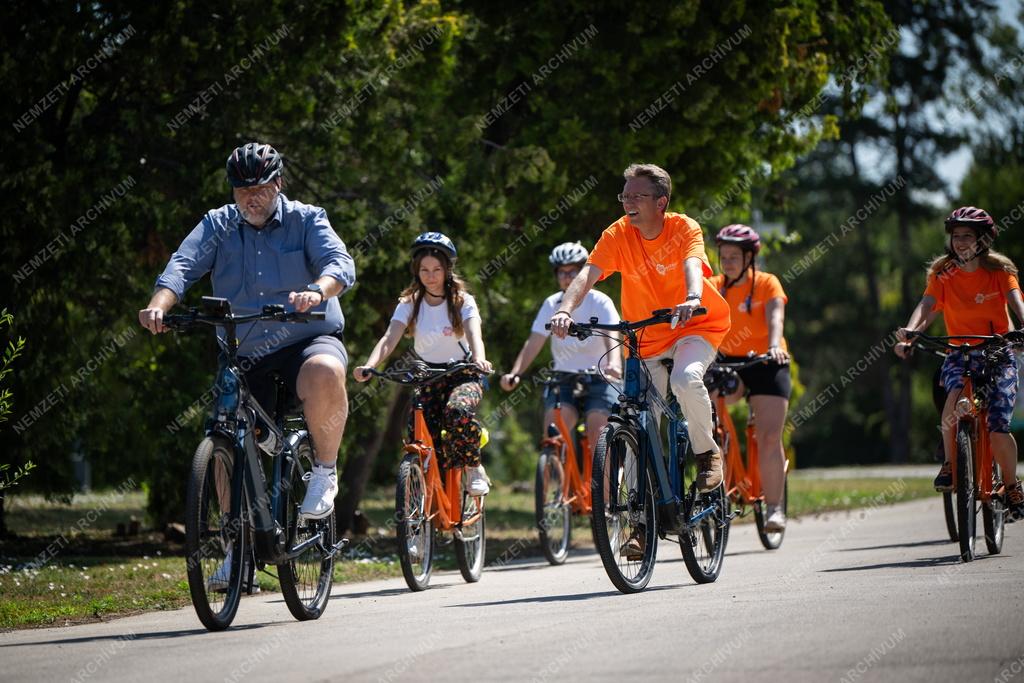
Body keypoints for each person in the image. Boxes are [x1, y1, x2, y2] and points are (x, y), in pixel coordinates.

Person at [139, 142, 355, 529]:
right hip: (244, 350)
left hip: (305, 340)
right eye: (242, 190)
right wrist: (160, 304)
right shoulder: (217, 224)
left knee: (325, 370)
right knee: (224, 436)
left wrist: (318, 290)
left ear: (279, 184)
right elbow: (182, 266)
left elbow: (339, 265)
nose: (251, 198)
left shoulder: (307, 219)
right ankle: (234, 545)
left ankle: (324, 471)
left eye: (259, 189)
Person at [549, 163, 731, 558]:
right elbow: (587, 275)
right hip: (646, 337)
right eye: (624, 195)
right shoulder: (618, 233)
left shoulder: (684, 228)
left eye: (636, 196)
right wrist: (566, 310)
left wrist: (693, 298)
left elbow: (691, 266)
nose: (627, 202)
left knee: (685, 380)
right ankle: (639, 524)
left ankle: (706, 453)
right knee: (636, 423)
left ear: (661, 202)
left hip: (694, 325)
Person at [895, 206, 1024, 521]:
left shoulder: (1000, 271)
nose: (961, 242)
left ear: (983, 239)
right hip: (960, 352)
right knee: (952, 400)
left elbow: (1017, 302)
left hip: (998, 353)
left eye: (968, 236)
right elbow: (926, 307)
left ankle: (1011, 486)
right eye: (956, 236)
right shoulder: (942, 275)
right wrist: (911, 332)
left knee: (997, 427)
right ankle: (951, 465)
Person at [353, 233, 493, 495]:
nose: (430, 276)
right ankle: (427, 495)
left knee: (458, 412)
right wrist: (369, 365)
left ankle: (473, 466)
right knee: (418, 431)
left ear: (447, 270)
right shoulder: (410, 303)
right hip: (427, 375)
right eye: (424, 270)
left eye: (437, 269)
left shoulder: (462, 301)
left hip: (463, 372)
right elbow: (389, 338)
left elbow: (475, 334)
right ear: (416, 271)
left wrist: (479, 359)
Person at [501, 242, 623, 455]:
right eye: (561, 272)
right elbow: (534, 341)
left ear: (584, 271)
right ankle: (558, 486)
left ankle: (603, 486)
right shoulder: (551, 304)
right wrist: (515, 373)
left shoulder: (600, 301)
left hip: (602, 378)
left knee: (599, 437)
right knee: (553, 435)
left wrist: (614, 363)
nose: (567, 277)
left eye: (573, 271)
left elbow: (612, 336)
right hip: (565, 378)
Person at [708, 224, 791, 532]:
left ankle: (773, 509)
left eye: (733, 257)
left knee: (768, 437)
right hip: (727, 363)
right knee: (712, 424)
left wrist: (772, 346)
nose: (727, 262)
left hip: (767, 361)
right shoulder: (714, 285)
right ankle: (720, 479)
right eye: (723, 256)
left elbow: (775, 317)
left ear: (749, 258)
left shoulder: (768, 283)